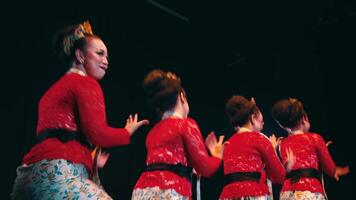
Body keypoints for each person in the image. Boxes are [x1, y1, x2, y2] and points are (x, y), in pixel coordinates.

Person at [10, 21, 149, 199]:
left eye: (107, 56)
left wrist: (90, 160)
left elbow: (57, 137)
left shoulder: (51, 92)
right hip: (58, 176)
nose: (106, 61)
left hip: (29, 177)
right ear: (80, 56)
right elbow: (99, 134)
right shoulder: (85, 83)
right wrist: (126, 132)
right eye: (99, 54)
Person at [131, 69, 224, 200]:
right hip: (170, 192)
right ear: (182, 96)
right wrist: (217, 155)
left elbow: (176, 161)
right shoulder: (185, 124)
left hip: (141, 192)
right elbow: (206, 169)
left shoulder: (152, 133)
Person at [271, 98, 350, 200]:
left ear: (283, 125)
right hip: (310, 192)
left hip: (288, 193)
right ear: (304, 118)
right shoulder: (315, 138)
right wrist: (335, 170)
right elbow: (330, 169)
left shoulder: (283, 144)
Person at [219, 95, 293, 200]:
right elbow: (280, 177)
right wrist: (287, 166)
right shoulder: (260, 139)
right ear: (253, 118)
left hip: (229, 195)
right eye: (261, 121)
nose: (263, 124)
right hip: (254, 194)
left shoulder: (228, 143)